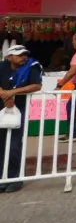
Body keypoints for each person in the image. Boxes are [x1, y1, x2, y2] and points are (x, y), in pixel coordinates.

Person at [0, 45, 43, 193]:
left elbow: (37, 85)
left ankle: (15, 179)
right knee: (1, 145)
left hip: (19, 109)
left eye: (25, 54)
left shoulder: (32, 66)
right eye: (19, 55)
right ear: (9, 56)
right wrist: (4, 94)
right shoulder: (3, 66)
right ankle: (2, 179)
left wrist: (13, 93)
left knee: (14, 145)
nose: (23, 57)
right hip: (1, 107)